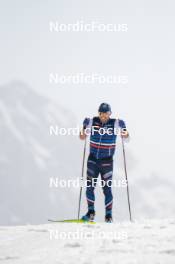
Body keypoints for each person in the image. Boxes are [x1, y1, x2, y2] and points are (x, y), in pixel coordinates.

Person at [79, 103, 129, 222]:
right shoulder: (92, 122)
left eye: (106, 114)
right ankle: (91, 213)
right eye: (102, 114)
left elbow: (126, 139)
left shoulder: (115, 124)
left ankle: (108, 216)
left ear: (110, 114)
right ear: (99, 113)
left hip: (107, 162)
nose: (104, 116)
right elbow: (82, 137)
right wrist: (84, 127)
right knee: (90, 187)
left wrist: (124, 129)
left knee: (107, 189)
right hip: (93, 160)